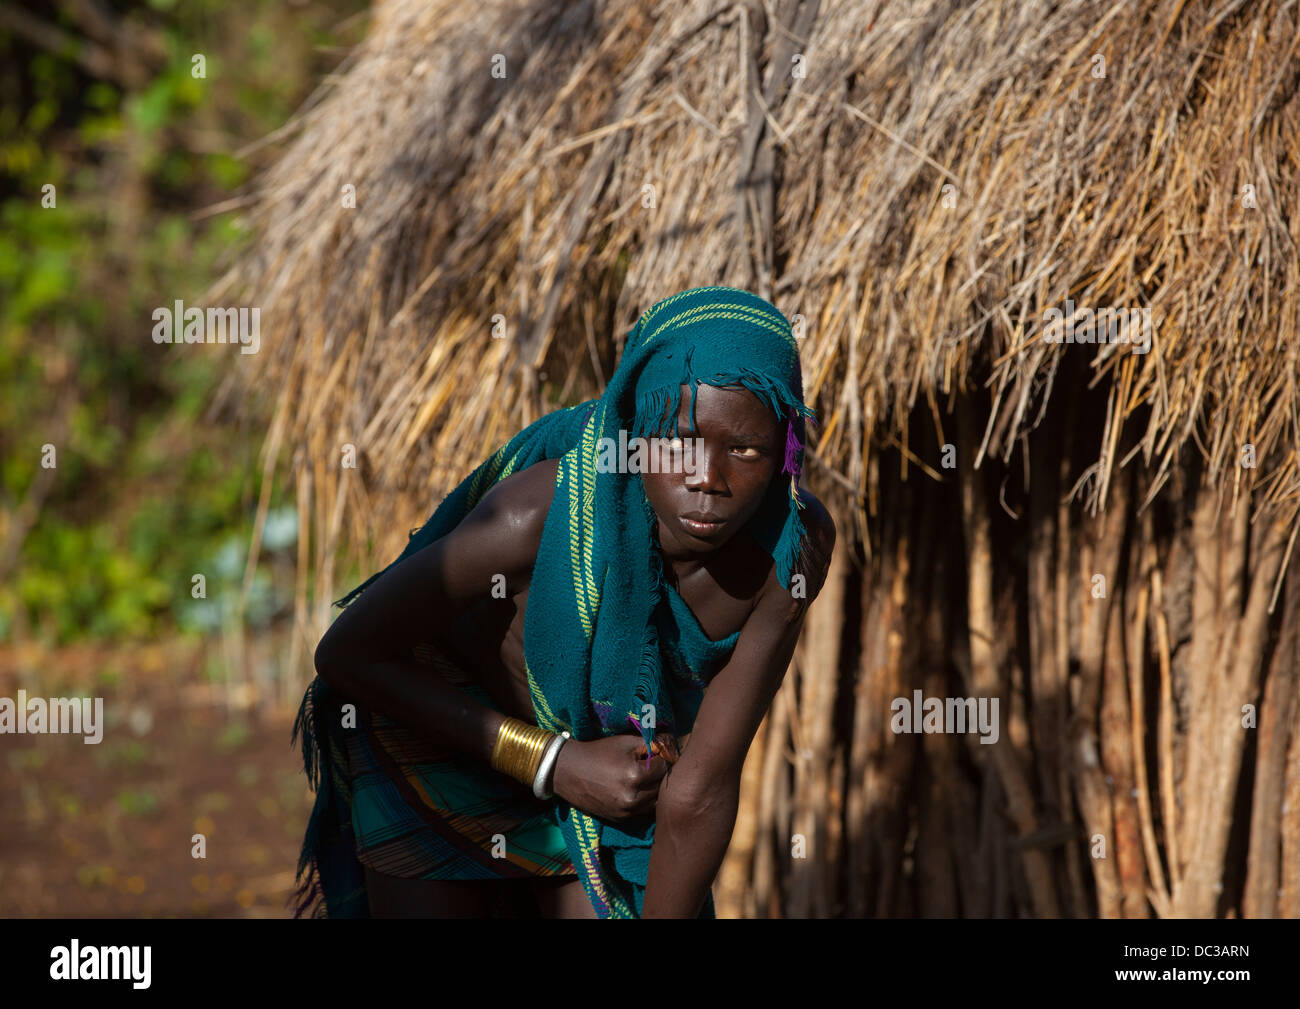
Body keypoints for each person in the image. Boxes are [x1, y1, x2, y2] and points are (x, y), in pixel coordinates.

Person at [291, 286, 836, 918]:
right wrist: (551, 761)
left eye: (745, 449)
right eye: (676, 441)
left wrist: (575, 769)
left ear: (785, 451)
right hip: (440, 734)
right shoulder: (538, 516)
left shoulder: (791, 551)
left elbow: (703, 783)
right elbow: (346, 654)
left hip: (603, 777)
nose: (706, 478)